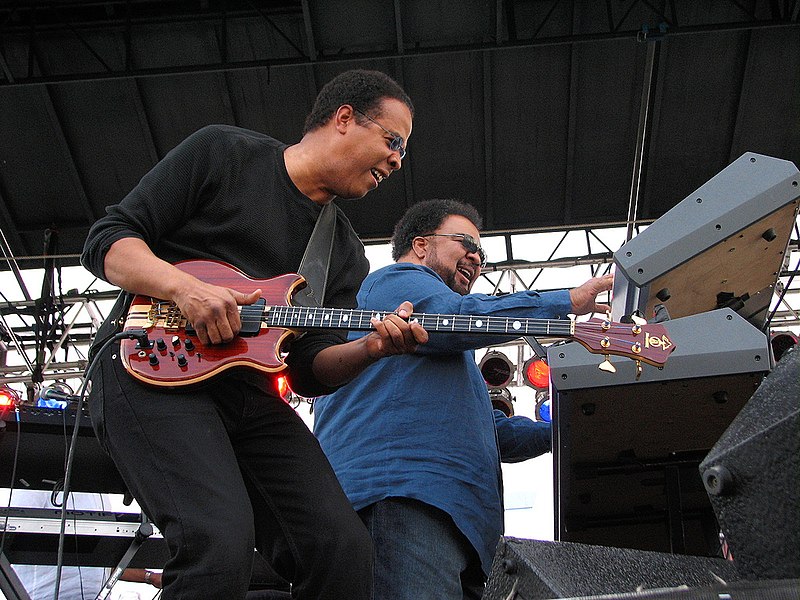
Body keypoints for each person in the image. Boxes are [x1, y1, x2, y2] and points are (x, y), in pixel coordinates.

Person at [80, 69, 427, 600]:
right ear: (344, 119)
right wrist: (184, 288)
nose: (398, 160)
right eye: (392, 141)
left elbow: (309, 369)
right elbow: (107, 241)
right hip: (146, 367)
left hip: (249, 394)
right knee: (217, 546)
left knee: (343, 552)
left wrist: (371, 348)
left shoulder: (344, 251)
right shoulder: (223, 153)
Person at [313, 198, 613, 599]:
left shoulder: (450, 363)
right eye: (465, 243)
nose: (476, 257)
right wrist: (566, 303)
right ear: (420, 245)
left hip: (463, 525)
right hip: (405, 498)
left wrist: (569, 427)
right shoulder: (398, 281)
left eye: (482, 253)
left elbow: (494, 434)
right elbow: (457, 318)